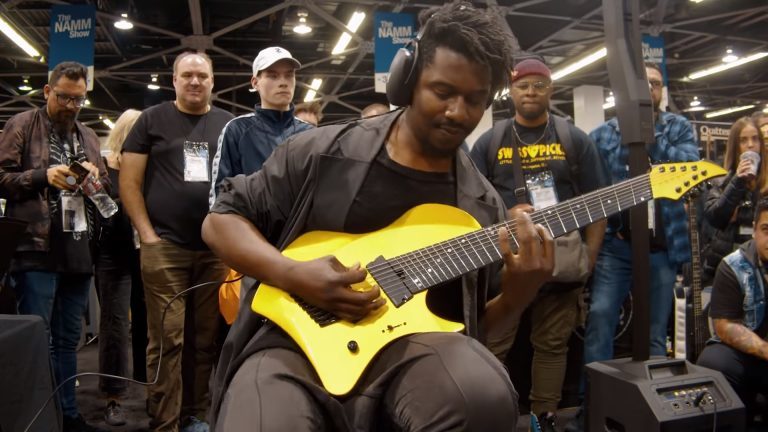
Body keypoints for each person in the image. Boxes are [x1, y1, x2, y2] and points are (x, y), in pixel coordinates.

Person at [204, 2, 554, 430]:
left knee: (483, 397)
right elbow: (221, 220)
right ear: (407, 81)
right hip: (291, 343)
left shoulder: (480, 204)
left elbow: (473, 324)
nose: (458, 112)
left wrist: (519, 294)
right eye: (443, 92)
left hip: (410, 352)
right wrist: (293, 275)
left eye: (474, 100)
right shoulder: (321, 152)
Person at [469, 57, 608, 431]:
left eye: (539, 85)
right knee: (495, 344)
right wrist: (505, 214)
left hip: (561, 264)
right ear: (510, 92)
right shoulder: (490, 141)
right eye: (522, 86)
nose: (530, 92)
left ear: (551, 90)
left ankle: (543, 421)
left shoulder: (573, 138)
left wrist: (589, 259)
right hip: (505, 263)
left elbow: (597, 206)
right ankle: (493, 417)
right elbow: (468, 207)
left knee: (551, 347)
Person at [120, 51, 234, 432]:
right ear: (174, 80)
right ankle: (164, 421)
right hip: (164, 247)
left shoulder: (227, 125)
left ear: (213, 81)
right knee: (167, 340)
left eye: (202, 75)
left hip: (213, 250)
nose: (195, 82)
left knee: (204, 340)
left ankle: (196, 416)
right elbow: (129, 183)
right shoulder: (152, 120)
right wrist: (147, 236)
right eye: (187, 75)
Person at [0, 61, 108, 432]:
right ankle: (40, 418)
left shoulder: (89, 136)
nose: (71, 105)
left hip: (78, 248)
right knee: (38, 339)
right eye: (64, 97)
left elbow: (104, 184)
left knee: (67, 341)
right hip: (35, 249)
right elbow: (1, 177)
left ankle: (69, 415)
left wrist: (95, 177)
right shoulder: (22, 125)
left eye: (78, 99)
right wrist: (42, 176)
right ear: (47, 92)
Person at [583, 62, 700, 367]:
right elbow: (591, 189)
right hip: (616, 247)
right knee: (600, 318)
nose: (650, 88)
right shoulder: (603, 136)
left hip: (661, 249)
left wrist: (647, 132)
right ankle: (591, 405)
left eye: (656, 84)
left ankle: (655, 405)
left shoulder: (677, 127)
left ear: (662, 91)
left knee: (655, 332)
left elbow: (687, 166)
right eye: (643, 83)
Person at [209, 46, 312, 206]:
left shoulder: (310, 133)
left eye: (289, 75)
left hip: (302, 229)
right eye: (273, 76)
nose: (283, 83)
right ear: (255, 82)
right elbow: (221, 192)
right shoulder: (237, 129)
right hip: (250, 227)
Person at [697, 198, 768, 426]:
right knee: (714, 361)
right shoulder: (734, 266)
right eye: (766, 230)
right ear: (754, 229)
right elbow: (725, 326)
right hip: (751, 355)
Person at [94, 108, 143, 426]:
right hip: (112, 254)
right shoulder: (103, 167)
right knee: (114, 327)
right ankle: (113, 397)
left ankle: (154, 388)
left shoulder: (150, 165)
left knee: (153, 324)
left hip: (149, 252)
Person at [701, 117, 767, 287]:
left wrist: (738, 213)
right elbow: (715, 217)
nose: (750, 145)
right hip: (728, 264)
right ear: (735, 147)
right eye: (743, 140)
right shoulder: (721, 181)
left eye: (755, 139)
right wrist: (738, 181)